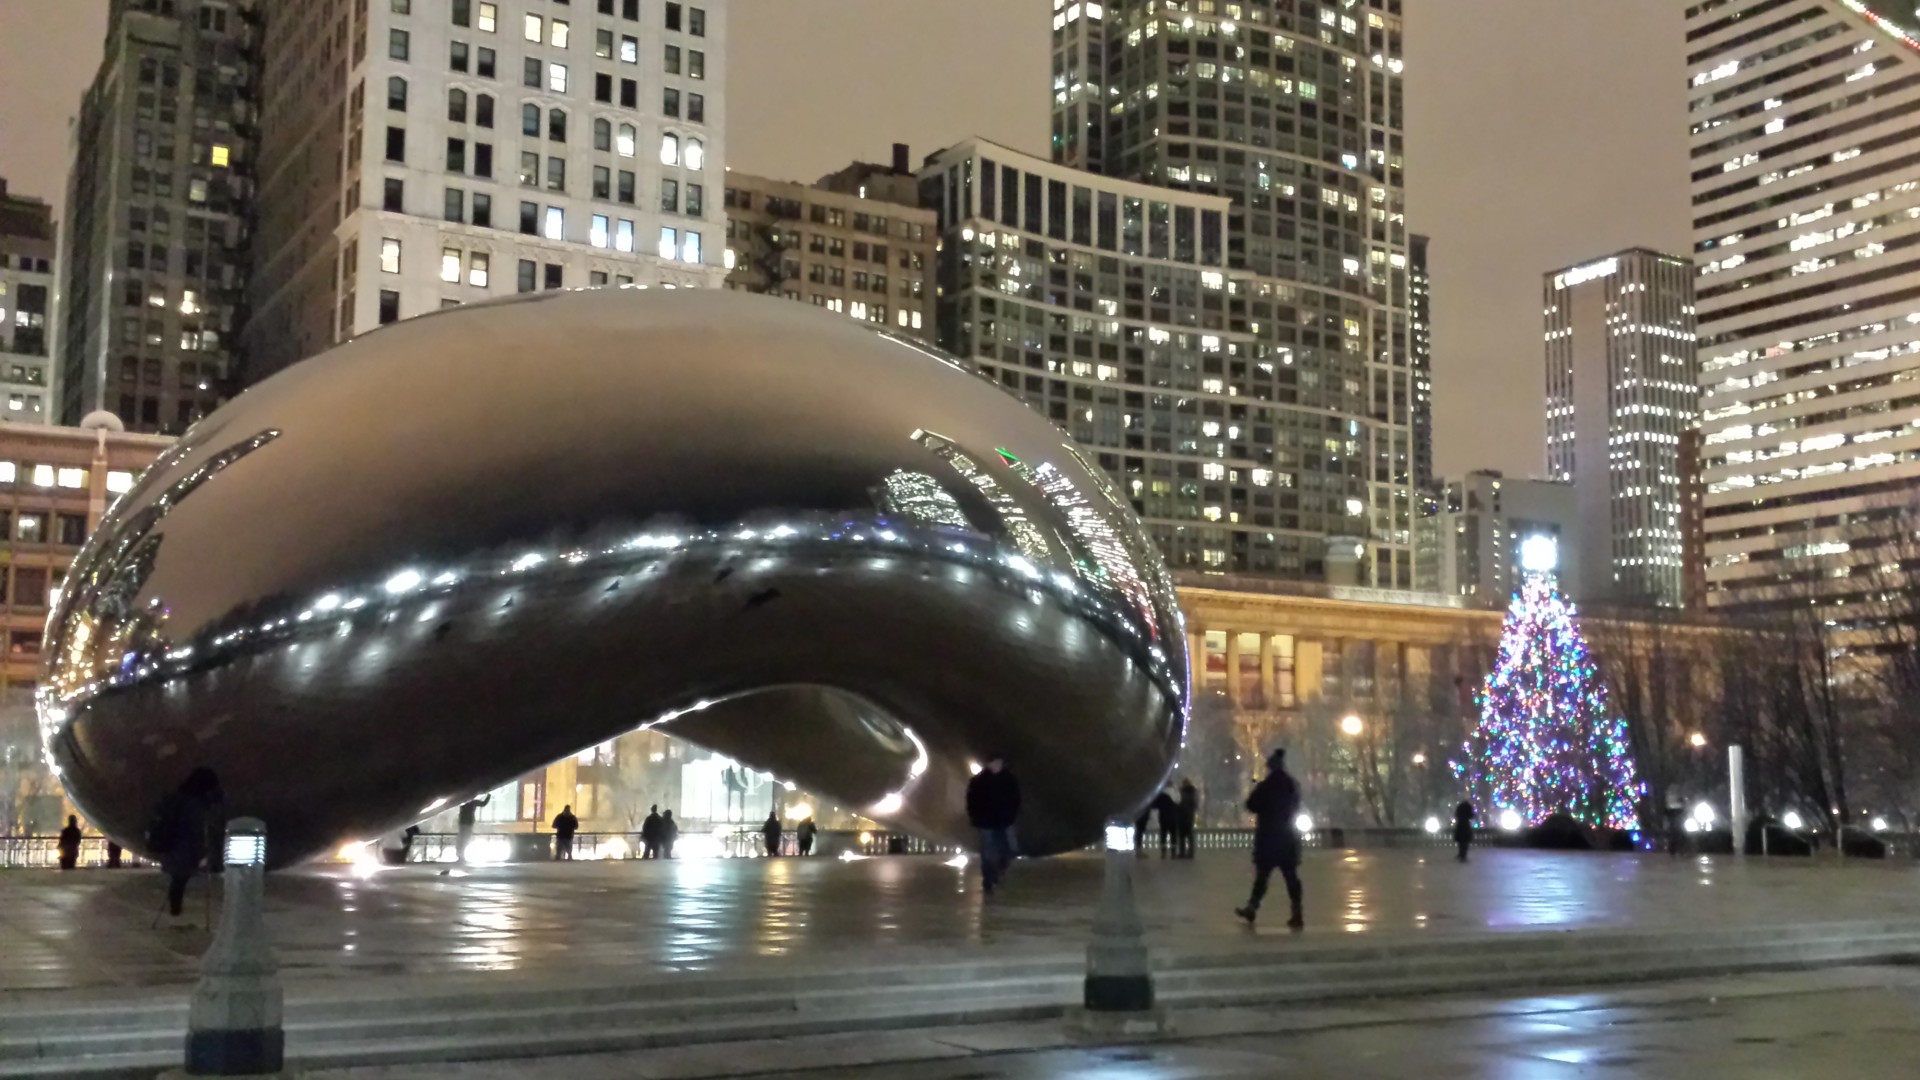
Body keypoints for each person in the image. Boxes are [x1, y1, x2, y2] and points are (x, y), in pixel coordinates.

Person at [1235, 749, 1304, 929]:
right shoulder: (1291, 785)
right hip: (1288, 837)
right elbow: (1296, 805)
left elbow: (1251, 805)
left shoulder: (1266, 786)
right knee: (1291, 877)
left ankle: (1252, 907)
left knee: (1262, 877)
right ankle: (1297, 912)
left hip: (1269, 838)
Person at [146, 767, 222, 926]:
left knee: (178, 878)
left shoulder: (180, 799)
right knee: (180, 878)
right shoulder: (194, 804)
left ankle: (175, 911)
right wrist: (202, 851)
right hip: (184, 848)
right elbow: (196, 829)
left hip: (176, 846)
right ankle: (175, 912)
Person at [965, 755, 1021, 894]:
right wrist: (976, 817)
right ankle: (988, 880)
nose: (996, 765)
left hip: (1005, 820)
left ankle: (999, 870)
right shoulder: (979, 782)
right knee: (987, 853)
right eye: (993, 763)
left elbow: (1016, 799)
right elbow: (972, 801)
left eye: (998, 763)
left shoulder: (1009, 780)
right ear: (989, 764)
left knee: (1011, 849)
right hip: (986, 822)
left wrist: (1012, 814)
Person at [456, 793, 490, 864]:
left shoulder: (463, 800)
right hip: (468, 822)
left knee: (462, 839)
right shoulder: (473, 801)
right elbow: (483, 804)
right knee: (465, 839)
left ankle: (460, 856)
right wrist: (488, 795)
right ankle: (461, 856)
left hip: (463, 822)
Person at [1152, 787, 1179, 856]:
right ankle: (1173, 852)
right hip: (1173, 817)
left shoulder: (1160, 796)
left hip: (1163, 818)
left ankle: (1163, 852)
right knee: (1173, 835)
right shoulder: (1175, 793)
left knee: (1163, 835)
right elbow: (1178, 803)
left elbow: (1154, 806)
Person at [1177, 779, 1200, 859]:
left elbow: (1179, 803)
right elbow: (1196, 805)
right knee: (1189, 835)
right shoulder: (1194, 793)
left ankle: (1182, 852)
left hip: (1182, 816)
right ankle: (1190, 852)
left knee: (1182, 836)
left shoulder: (1181, 793)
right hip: (1190, 816)